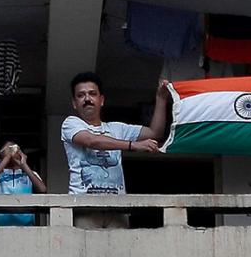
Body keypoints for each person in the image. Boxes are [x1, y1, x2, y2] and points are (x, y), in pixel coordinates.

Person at [62, 70, 171, 198]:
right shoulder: (70, 123)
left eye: (92, 94)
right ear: (74, 103)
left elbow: (155, 133)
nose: (87, 99)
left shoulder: (117, 129)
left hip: (117, 206)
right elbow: (90, 141)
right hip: (83, 206)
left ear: (101, 100)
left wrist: (161, 99)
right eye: (81, 95)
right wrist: (133, 145)